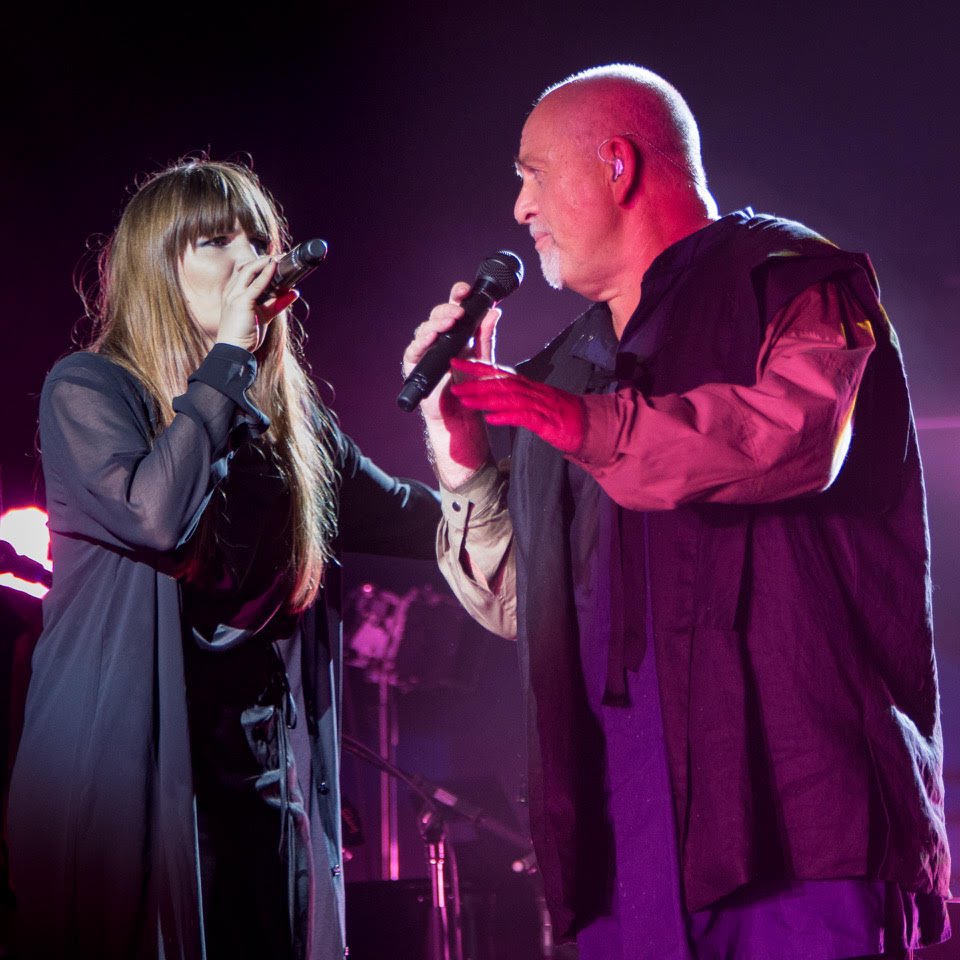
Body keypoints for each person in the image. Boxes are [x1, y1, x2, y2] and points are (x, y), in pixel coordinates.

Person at [403, 64, 950, 959]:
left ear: (616, 164)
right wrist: (460, 451)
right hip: (627, 848)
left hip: (799, 832)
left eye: (532, 173)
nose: (518, 209)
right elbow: (519, 606)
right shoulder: (564, 369)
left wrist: (580, 423)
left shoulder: (796, 282)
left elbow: (790, 438)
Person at [7, 158, 441, 960]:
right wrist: (230, 359)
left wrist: (522, 464)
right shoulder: (90, 391)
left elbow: (418, 520)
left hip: (262, 786)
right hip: (131, 790)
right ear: (160, 265)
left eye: (259, 239)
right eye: (216, 241)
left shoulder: (289, 425)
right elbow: (157, 516)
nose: (249, 258)